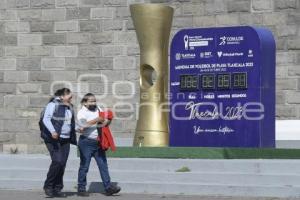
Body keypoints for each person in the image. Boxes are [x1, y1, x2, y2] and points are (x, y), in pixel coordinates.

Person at [76, 93, 121, 196]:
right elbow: (82, 126)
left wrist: (108, 120)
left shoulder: (98, 109)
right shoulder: (81, 113)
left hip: (98, 142)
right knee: (84, 166)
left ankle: (108, 187)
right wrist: (97, 120)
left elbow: (103, 124)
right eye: (91, 101)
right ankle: (81, 188)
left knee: (103, 165)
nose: (93, 103)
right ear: (85, 102)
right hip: (86, 142)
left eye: (94, 100)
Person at [40, 88, 77, 198]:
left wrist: (79, 128)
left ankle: (57, 188)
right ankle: (48, 186)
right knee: (57, 161)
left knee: (62, 164)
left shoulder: (69, 107)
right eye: (69, 96)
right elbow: (46, 119)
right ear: (62, 96)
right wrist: (53, 131)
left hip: (65, 139)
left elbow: (71, 122)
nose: (71, 98)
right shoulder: (53, 105)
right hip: (53, 139)